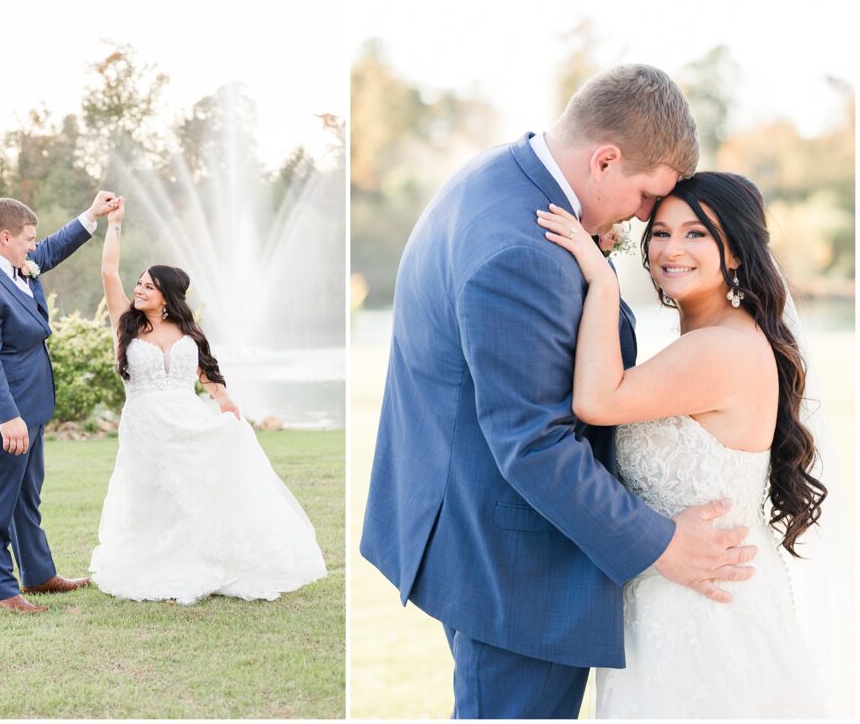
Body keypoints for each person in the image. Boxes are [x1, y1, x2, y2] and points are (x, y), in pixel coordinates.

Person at [360, 64, 758, 719]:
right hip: (516, 569)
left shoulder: (496, 176)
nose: (645, 218)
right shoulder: (522, 250)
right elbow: (536, 445)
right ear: (605, 160)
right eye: (646, 197)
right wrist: (662, 543)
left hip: (464, 525)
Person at [536, 171, 831, 717]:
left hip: (701, 614)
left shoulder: (720, 349)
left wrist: (602, 280)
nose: (672, 249)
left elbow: (596, 401)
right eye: (660, 233)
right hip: (677, 597)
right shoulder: (723, 336)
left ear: (735, 251)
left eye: (696, 234)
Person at [88, 197, 327, 603]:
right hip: (144, 424)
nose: (139, 289)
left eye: (148, 285)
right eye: (140, 283)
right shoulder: (125, 324)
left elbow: (208, 374)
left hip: (187, 420)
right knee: (151, 495)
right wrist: (114, 225)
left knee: (194, 489)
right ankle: (155, 562)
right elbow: (109, 271)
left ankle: (200, 558)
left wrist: (225, 400)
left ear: (166, 296)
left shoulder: (189, 333)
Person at [0, 192, 120, 613]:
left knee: (26, 496)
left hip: (32, 402)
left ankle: (39, 575)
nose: (34, 246)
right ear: (5, 237)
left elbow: (49, 251)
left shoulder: (11, 259)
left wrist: (91, 215)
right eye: (28, 238)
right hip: (2, 413)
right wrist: (7, 417)